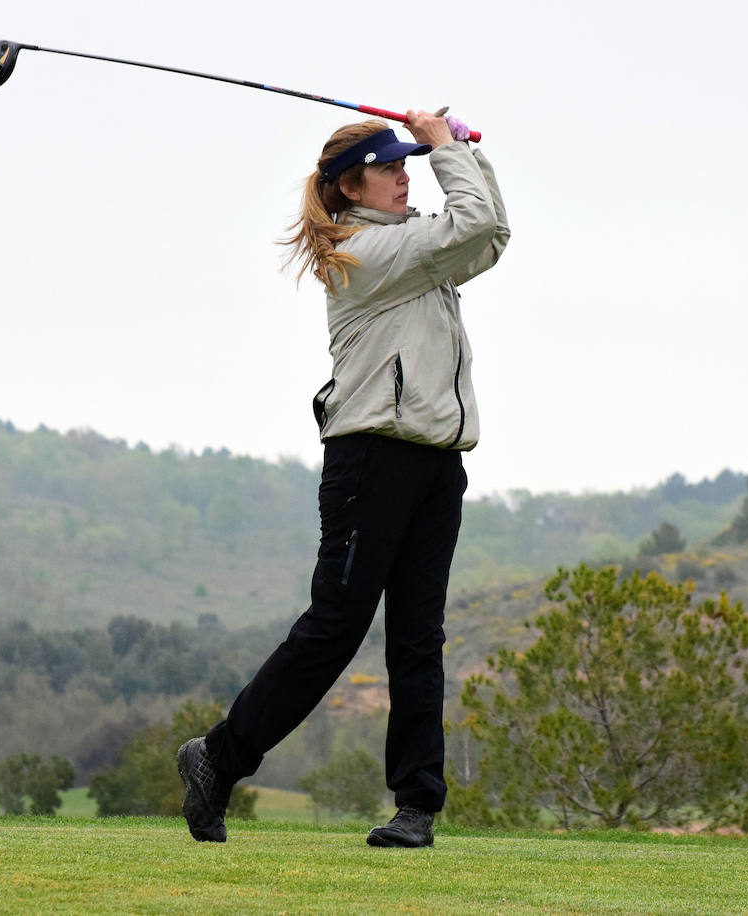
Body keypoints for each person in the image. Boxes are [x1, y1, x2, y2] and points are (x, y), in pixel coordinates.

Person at [178, 108, 508, 848]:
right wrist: (448, 148)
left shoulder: (413, 246)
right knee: (335, 630)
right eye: (392, 167)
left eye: (409, 165)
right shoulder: (365, 251)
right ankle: (217, 759)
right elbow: (470, 226)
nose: (404, 176)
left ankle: (416, 807)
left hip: (435, 463)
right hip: (372, 463)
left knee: (419, 640)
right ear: (350, 185)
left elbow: (491, 234)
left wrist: (466, 157)